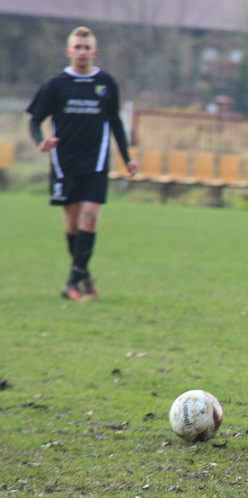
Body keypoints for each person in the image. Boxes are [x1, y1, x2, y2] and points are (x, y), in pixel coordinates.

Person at [26, 26, 137, 301]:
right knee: (73, 223)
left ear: (94, 52)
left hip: (96, 161)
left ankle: (72, 280)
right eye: (77, 47)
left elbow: (115, 123)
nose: (82, 52)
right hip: (63, 163)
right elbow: (33, 120)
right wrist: (41, 140)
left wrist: (127, 158)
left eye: (87, 48)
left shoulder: (106, 83)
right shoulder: (55, 85)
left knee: (90, 215)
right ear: (69, 52)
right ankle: (83, 275)